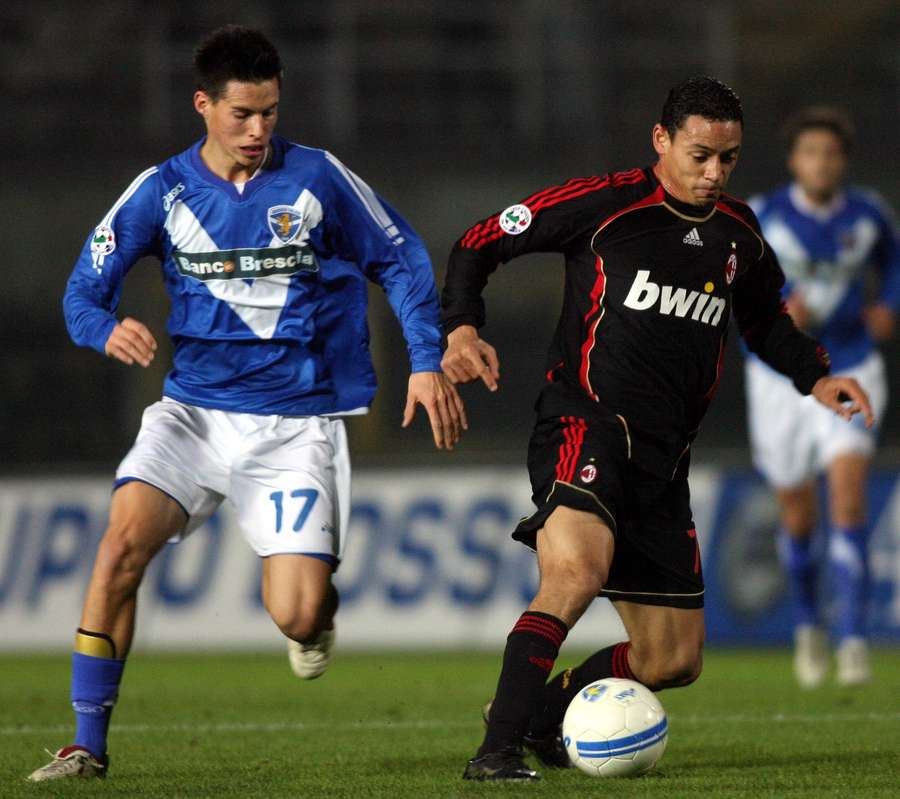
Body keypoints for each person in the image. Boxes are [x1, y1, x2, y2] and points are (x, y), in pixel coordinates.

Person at [29, 25, 464, 782]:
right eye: (242, 114)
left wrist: (427, 360)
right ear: (203, 105)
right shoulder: (161, 190)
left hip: (295, 427)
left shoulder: (318, 179)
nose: (259, 129)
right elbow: (81, 292)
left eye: (269, 111)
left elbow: (400, 258)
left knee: (294, 611)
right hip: (192, 415)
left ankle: (317, 615)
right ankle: (85, 745)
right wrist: (105, 329)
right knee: (119, 545)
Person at [440, 77, 873, 781]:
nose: (714, 173)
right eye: (700, 155)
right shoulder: (604, 205)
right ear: (661, 140)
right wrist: (460, 327)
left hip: (665, 463)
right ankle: (496, 751)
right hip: (585, 427)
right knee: (576, 574)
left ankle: (539, 714)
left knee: (673, 660)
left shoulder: (738, 233)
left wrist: (816, 375)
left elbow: (765, 321)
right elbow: (478, 241)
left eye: (728, 160)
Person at [745, 107, 899, 688]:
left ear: (844, 162)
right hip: (779, 376)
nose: (821, 162)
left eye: (831, 154)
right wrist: (777, 302)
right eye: (811, 152)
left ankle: (855, 639)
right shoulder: (762, 215)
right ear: (794, 161)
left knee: (850, 495)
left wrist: (889, 304)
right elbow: (735, 273)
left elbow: (894, 260)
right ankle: (809, 623)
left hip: (852, 365)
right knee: (798, 513)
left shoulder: (868, 214)